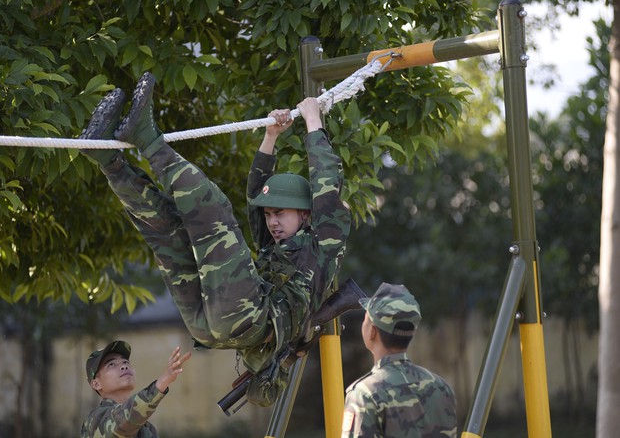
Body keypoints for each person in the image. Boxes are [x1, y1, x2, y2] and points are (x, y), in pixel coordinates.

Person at [80, 72, 359, 405]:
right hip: (209, 326)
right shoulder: (275, 246)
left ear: (306, 215)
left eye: (280, 214)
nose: (271, 222)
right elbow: (257, 194)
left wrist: (313, 120)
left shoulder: (323, 246)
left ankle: (148, 139)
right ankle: (109, 161)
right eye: (269, 215)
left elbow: (327, 183)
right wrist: (270, 137)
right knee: (168, 231)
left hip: (246, 320)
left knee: (212, 211)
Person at [341, 283, 457, 437]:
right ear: (412, 332)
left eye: (366, 320)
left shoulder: (365, 394)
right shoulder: (441, 387)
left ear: (372, 332)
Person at [81, 340, 192, 438]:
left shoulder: (147, 428)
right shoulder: (95, 420)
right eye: (111, 364)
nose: (124, 366)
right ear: (96, 384)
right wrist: (162, 382)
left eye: (125, 362)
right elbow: (123, 420)